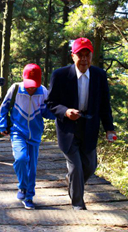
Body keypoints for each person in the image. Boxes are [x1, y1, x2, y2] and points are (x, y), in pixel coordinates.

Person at [46, 37, 116, 210]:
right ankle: (78, 204)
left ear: (92, 56)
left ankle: (71, 182)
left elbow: (104, 104)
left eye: (87, 55)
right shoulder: (60, 75)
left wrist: (109, 128)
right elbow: (50, 103)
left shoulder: (99, 75)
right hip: (68, 129)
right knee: (76, 167)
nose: (84, 59)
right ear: (73, 56)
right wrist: (66, 112)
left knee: (90, 167)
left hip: (89, 128)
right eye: (80, 55)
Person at [0, 64, 55, 210]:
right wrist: (2, 125)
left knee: (32, 167)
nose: (31, 88)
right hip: (17, 131)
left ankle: (29, 196)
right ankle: (22, 186)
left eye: (34, 85)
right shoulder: (16, 89)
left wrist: (59, 114)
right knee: (21, 159)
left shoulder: (43, 92)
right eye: (29, 85)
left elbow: (47, 112)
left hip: (35, 133)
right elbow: (3, 107)